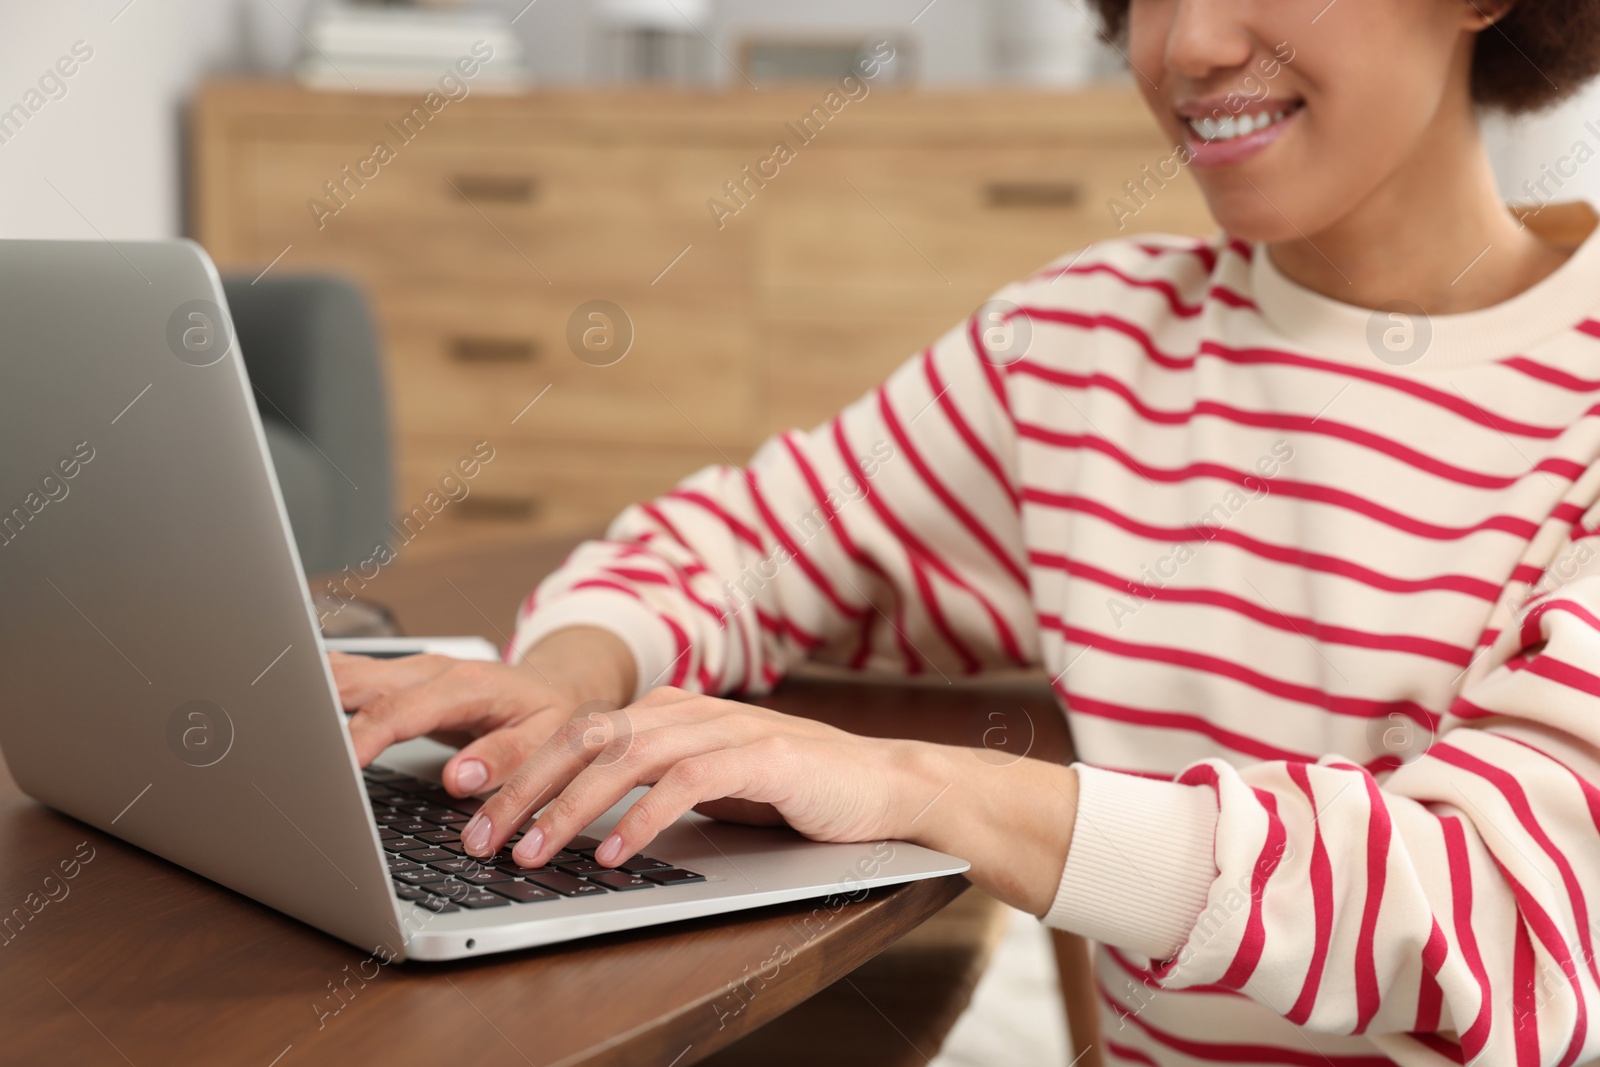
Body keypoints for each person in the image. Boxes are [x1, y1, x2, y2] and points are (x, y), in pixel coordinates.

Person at [332, 0, 1600, 1061]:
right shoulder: (1082, 347)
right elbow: (741, 539)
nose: (1189, 45)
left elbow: (1514, 924)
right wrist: (563, 681)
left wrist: (929, 787)